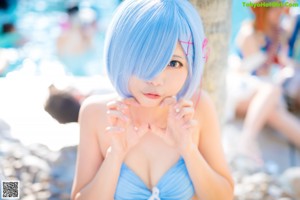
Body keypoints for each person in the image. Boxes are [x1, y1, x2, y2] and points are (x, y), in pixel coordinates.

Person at [71, 0, 234, 199]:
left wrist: (188, 149)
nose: (156, 79)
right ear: (120, 55)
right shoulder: (96, 113)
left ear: (191, 65)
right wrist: (115, 154)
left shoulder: (197, 108)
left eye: (173, 63)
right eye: (145, 59)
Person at [229, 0, 300, 165]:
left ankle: (246, 142)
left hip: (260, 92)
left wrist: (286, 10)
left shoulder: (276, 32)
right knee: (271, 92)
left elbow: (293, 12)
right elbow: (252, 71)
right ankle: (246, 141)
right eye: (274, 11)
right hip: (240, 87)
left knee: (274, 112)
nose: (278, 14)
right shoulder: (249, 33)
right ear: (263, 12)